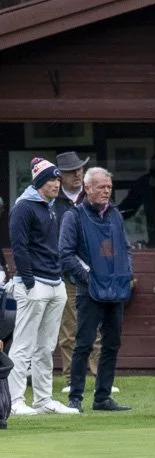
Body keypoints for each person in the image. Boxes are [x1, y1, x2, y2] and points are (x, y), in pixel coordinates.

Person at [8, 158, 79, 415]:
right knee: (23, 345)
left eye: (58, 179)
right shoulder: (23, 208)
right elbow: (19, 247)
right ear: (39, 182)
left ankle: (43, 400)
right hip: (33, 284)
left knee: (46, 347)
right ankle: (16, 401)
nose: (57, 184)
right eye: (52, 179)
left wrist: (58, 276)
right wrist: (28, 282)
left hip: (54, 282)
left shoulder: (53, 207)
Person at [59, 167, 134, 411]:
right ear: (87, 188)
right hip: (88, 291)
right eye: (101, 187)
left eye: (109, 187)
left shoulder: (115, 215)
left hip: (115, 289)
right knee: (84, 343)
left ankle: (102, 398)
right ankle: (76, 398)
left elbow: (124, 248)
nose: (106, 191)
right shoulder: (74, 216)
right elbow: (66, 254)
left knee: (112, 344)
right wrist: (88, 278)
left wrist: (126, 273)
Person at [50, 150, 85, 374]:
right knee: (69, 327)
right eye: (72, 171)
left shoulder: (91, 196)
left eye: (80, 170)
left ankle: (100, 377)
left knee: (97, 327)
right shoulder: (53, 200)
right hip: (64, 271)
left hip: (93, 270)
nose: (77, 174)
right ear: (61, 175)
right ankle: (72, 375)